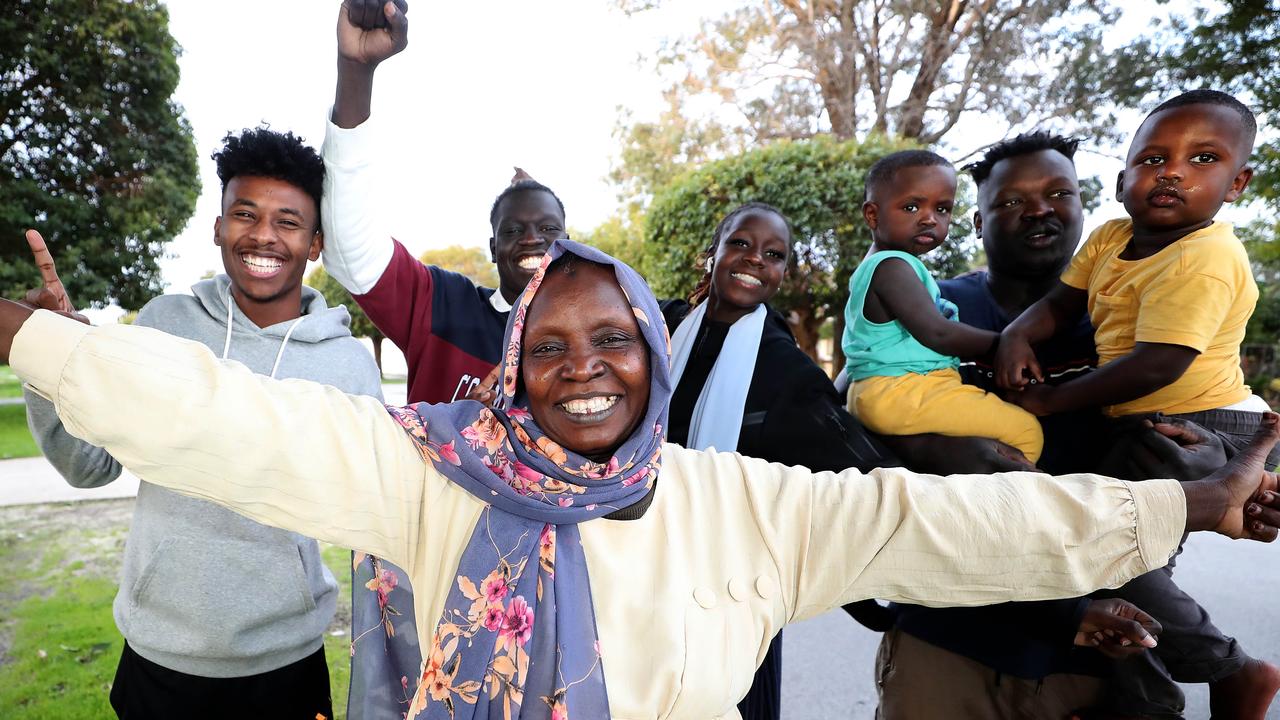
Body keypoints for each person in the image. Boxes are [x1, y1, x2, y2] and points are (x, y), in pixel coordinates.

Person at [5, 234, 1280, 719]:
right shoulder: (434, 471)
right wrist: (36, 340)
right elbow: (230, 422)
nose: (582, 370)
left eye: (611, 337)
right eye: (547, 346)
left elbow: (943, 522)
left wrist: (1179, 505)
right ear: (511, 367)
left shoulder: (739, 499)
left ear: (650, 357)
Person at [873, 131, 1267, 720]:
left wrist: (1242, 486)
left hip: (1098, 663)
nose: (1037, 209)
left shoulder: (1137, 321)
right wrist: (926, 448)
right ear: (975, 224)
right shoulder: (927, 312)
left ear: (1085, 209)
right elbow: (846, 439)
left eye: (1059, 193)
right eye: (1008, 202)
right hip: (944, 645)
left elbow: (1213, 419)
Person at [20, 128, 383, 719]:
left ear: (315, 243)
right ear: (218, 228)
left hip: (287, 663)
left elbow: (366, 506)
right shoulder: (164, 323)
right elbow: (88, 466)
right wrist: (52, 356)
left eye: (288, 221)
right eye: (245, 213)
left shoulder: (345, 364)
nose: (263, 234)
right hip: (158, 658)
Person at [322, 5, 571, 713]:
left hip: (551, 589)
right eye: (513, 229)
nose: (531, 239)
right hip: (433, 574)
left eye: (547, 227)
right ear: (491, 247)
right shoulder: (446, 306)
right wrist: (356, 74)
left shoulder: (593, 340)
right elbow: (351, 249)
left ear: (571, 242)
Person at [661, 202, 896, 720]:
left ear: (782, 273)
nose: (755, 260)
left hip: (734, 593)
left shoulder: (783, 367)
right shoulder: (663, 329)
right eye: (740, 244)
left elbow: (860, 471)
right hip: (648, 571)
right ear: (713, 254)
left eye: (773, 254)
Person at [998, 90, 1276, 470]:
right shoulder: (1109, 237)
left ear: (1236, 184)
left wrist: (1048, 399)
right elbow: (1059, 305)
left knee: (1129, 510)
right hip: (1140, 415)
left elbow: (1156, 365)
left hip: (1202, 420)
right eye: (1153, 159)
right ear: (1121, 183)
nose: (1171, 171)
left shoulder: (1205, 257)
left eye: (1203, 158)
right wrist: (1016, 335)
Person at [842, 149, 1044, 463]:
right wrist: (1003, 343)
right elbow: (937, 333)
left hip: (893, 390)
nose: (929, 218)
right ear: (872, 215)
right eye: (911, 207)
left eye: (942, 209)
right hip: (900, 389)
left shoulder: (890, 267)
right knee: (1025, 431)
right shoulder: (891, 266)